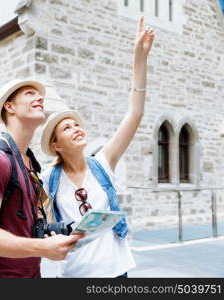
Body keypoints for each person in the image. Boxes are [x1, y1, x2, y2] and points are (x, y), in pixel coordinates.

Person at [40, 16, 155, 278]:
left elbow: (135, 113)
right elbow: (38, 224)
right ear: (55, 145)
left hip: (116, 272)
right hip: (73, 275)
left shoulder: (103, 163)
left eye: (77, 124)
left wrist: (140, 57)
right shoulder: (49, 179)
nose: (76, 128)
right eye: (67, 128)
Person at [0, 79, 84, 278]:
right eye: (29, 93)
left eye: (40, 96)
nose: (40, 97)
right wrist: (41, 247)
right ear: (9, 106)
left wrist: (49, 238)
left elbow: (19, 224)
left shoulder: (29, 162)